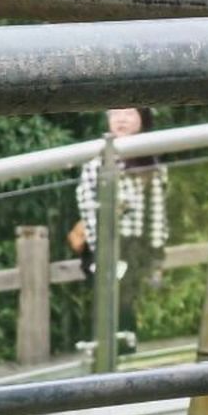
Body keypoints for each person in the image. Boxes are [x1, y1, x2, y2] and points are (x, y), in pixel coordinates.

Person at [74, 107, 169, 348]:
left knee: (129, 297)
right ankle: (108, 347)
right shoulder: (95, 163)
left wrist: (156, 252)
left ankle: (125, 345)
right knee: (108, 296)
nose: (121, 119)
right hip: (104, 243)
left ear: (142, 119)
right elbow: (88, 209)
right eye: (115, 114)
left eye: (129, 113)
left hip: (138, 244)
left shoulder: (153, 163)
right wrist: (99, 251)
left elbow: (158, 212)